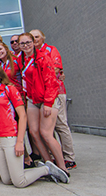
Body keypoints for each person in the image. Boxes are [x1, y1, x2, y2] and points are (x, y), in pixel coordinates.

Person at [0, 63, 69, 187]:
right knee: (6, 180)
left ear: (1, 75)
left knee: (19, 182)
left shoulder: (9, 89)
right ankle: (36, 170)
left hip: (10, 137)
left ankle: (47, 169)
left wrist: (19, 142)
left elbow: (23, 116)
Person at [16, 33, 69, 174]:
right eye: (22, 43)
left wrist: (48, 103)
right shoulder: (21, 59)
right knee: (34, 132)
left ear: (33, 42)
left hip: (47, 99)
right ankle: (49, 163)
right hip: (33, 99)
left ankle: (62, 166)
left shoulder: (43, 58)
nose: (26, 46)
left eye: (28, 42)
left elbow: (51, 82)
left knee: (46, 133)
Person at [30, 29, 76, 170]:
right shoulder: (31, 55)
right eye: (32, 37)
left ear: (43, 37)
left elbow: (55, 70)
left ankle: (69, 158)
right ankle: (54, 156)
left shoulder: (50, 50)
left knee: (60, 125)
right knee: (45, 128)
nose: (35, 39)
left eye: (37, 37)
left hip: (55, 92)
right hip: (39, 95)